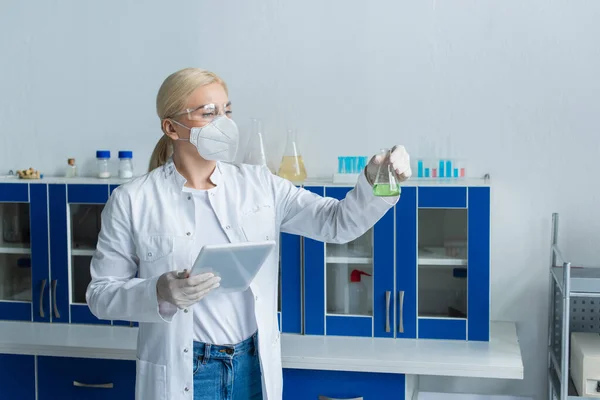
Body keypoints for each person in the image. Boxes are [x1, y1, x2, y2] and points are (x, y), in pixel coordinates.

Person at [86, 67, 411, 400]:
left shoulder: (259, 185)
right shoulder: (133, 200)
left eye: (227, 111)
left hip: (252, 368)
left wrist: (375, 179)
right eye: (208, 113)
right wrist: (159, 291)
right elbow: (100, 295)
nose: (224, 123)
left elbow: (337, 222)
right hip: (189, 373)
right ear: (171, 127)